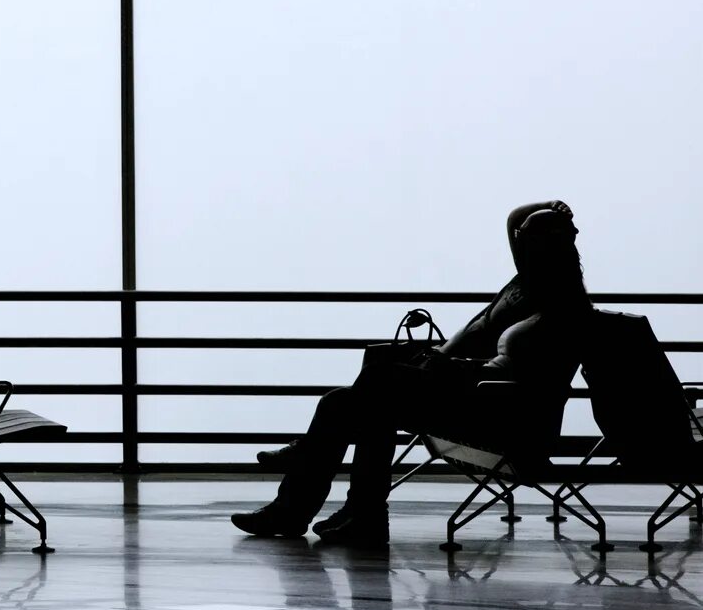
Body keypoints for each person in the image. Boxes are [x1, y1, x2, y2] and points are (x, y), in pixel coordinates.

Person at [230, 200, 593, 547]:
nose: (520, 242)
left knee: (375, 385)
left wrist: (449, 367)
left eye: (529, 238)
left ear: (547, 247)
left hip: (491, 411)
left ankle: (323, 499)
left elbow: (522, 378)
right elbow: (517, 221)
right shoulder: (528, 285)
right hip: (473, 395)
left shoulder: (557, 306)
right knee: (346, 402)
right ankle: (331, 512)